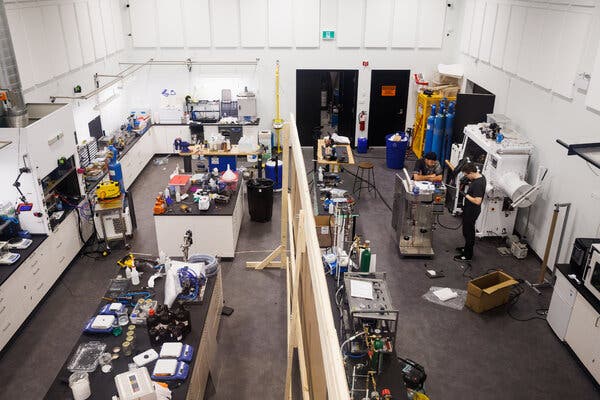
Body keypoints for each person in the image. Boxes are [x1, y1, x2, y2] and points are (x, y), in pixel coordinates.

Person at [454, 162, 486, 261]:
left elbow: (477, 201)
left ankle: (467, 255)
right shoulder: (481, 177)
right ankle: (466, 248)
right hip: (469, 209)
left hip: (472, 211)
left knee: (468, 232)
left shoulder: (478, 184)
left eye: (467, 175)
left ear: (471, 172)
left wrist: (465, 195)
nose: (467, 177)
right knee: (466, 230)